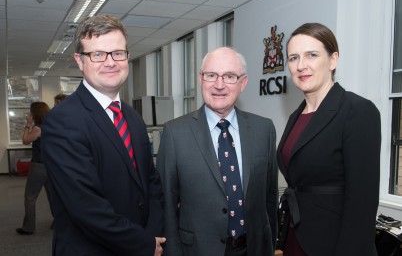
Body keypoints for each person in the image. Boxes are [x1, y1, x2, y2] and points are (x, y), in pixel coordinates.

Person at [41, 15, 165, 256]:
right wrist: (143, 243)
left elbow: (151, 184)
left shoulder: (133, 118)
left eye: (118, 53)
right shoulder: (63, 121)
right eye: (97, 54)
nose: (110, 62)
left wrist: (153, 233)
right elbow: (85, 207)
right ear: (79, 60)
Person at [157, 47, 278, 256]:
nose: (219, 85)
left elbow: (269, 198)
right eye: (211, 75)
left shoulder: (264, 129)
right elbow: (166, 205)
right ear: (201, 79)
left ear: (243, 83)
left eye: (229, 76)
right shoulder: (175, 133)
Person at [277, 23, 381, 256]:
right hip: (295, 238)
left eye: (311, 55)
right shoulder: (297, 115)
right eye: (293, 58)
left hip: (335, 245)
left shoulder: (358, 111)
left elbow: (362, 203)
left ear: (333, 60)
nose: (301, 65)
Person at [16, 101, 53, 235]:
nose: (29, 114)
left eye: (31, 111)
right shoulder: (52, 125)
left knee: (30, 197)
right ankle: (59, 221)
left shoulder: (38, 128)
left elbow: (25, 140)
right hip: (51, 165)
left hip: (39, 166)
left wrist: (27, 124)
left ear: (35, 113)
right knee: (52, 195)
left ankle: (28, 228)